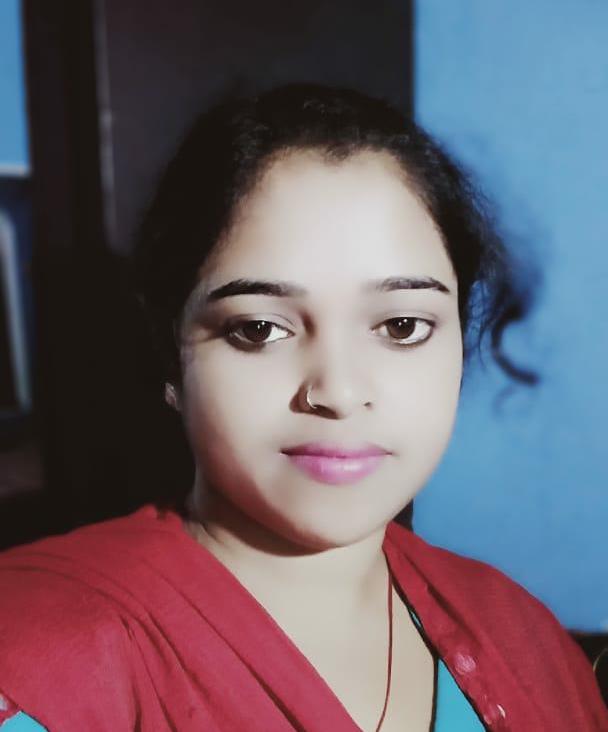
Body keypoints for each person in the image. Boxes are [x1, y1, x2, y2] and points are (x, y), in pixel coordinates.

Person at [0, 83, 605, 731]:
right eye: (259, 329)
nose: (338, 392)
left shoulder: (522, 637)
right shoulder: (42, 667)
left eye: (401, 326)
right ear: (170, 358)